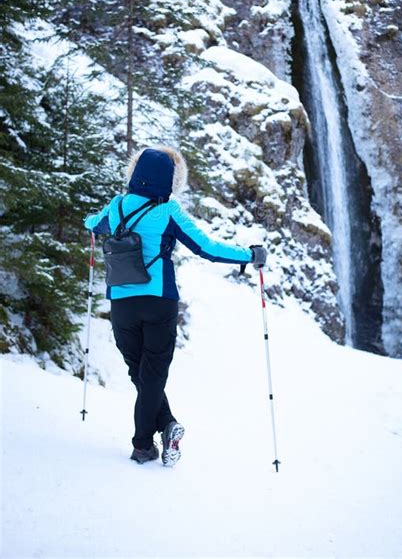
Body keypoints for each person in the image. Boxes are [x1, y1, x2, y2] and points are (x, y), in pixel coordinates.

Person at [84, 146, 267, 466]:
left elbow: (93, 223)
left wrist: (92, 222)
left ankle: (161, 431)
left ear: (135, 173)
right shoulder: (169, 212)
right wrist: (248, 256)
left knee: (139, 373)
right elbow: (207, 248)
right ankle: (147, 441)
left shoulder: (116, 207)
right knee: (151, 375)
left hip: (122, 305)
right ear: (169, 181)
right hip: (160, 302)